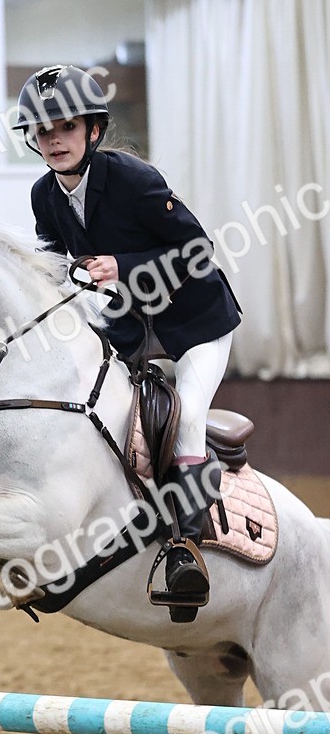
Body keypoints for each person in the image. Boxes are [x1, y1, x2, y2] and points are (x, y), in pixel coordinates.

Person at [14, 63, 242, 611]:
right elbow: (51, 257)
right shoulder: (45, 194)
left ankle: (186, 549)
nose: (53, 140)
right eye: (43, 131)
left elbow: (198, 250)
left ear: (92, 131)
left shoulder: (133, 179)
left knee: (185, 417)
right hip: (127, 325)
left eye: (65, 127)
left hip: (194, 323)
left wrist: (123, 265)